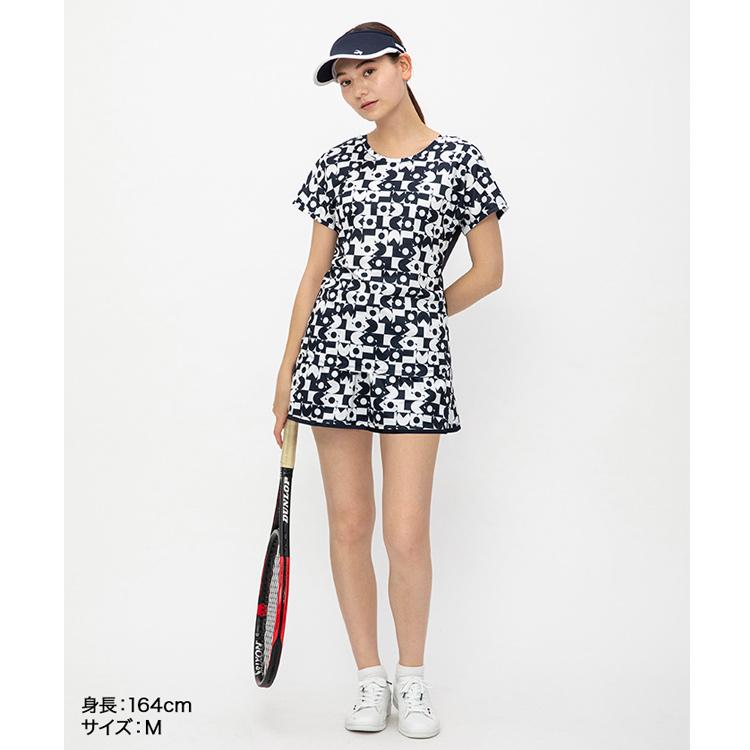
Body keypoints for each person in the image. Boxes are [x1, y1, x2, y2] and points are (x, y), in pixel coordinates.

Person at [272, 22, 508, 739]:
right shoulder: (336, 165)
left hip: (415, 365)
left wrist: (418, 314)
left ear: (404, 66)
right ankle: (369, 679)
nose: (356, 90)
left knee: (406, 534)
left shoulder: (460, 161)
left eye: (367, 73)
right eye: (344, 82)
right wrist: (286, 372)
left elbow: (489, 273)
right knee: (350, 525)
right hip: (331, 360)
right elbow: (313, 275)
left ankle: (413, 678)